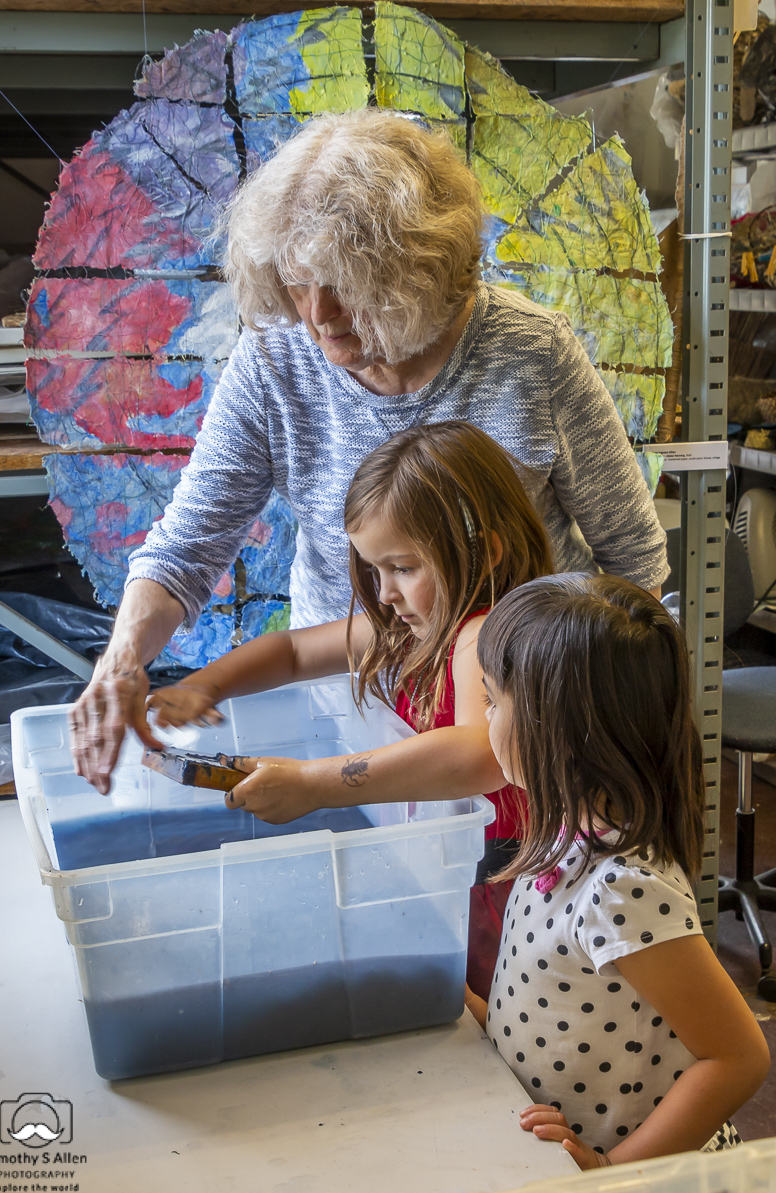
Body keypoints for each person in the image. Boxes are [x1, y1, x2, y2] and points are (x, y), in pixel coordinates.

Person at [69, 106, 668, 795]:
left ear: (419, 273)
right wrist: (122, 663)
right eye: (298, 282)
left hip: (529, 723)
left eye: (346, 285)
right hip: (355, 716)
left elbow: (634, 565)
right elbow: (188, 547)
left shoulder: (533, 354)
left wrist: (603, 721)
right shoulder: (274, 361)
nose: (316, 314)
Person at [466, 574, 769, 1168]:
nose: (483, 718)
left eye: (492, 701)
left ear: (558, 732)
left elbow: (738, 1058)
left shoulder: (621, 888)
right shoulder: (565, 831)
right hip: (547, 1158)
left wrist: (609, 1172)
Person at [146, 422, 549, 841]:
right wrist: (205, 685)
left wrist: (313, 784)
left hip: (498, 855)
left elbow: (479, 755)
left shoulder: (482, 634)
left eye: (403, 568)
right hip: (440, 846)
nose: (386, 593)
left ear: (483, 552)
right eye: (376, 569)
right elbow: (294, 653)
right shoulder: (414, 629)